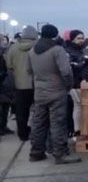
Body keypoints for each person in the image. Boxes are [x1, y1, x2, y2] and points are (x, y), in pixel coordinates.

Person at [28, 24, 80, 164]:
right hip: (57, 91)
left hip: (39, 92)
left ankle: (36, 152)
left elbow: (29, 71)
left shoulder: (32, 51)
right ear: (55, 35)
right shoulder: (57, 50)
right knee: (58, 123)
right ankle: (60, 153)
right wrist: (68, 86)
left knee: (38, 123)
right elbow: (66, 72)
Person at [4, 26, 37, 141]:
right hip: (36, 84)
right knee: (39, 111)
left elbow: (9, 65)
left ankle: (22, 134)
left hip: (19, 84)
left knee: (21, 111)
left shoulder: (13, 48)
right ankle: (37, 134)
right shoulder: (37, 47)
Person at [64, 30, 88, 136]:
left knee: (83, 106)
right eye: (79, 38)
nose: (81, 40)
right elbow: (70, 67)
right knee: (78, 105)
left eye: (82, 38)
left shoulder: (83, 50)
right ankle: (77, 130)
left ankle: (82, 128)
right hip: (75, 82)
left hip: (85, 81)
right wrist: (83, 61)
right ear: (73, 39)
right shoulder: (68, 50)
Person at [0, 34, 13, 135]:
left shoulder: (5, 51)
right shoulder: (4, 52)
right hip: (3, 82)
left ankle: (3, 126)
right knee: (3, 107)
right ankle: (2, 127)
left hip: (5, 83)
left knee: (5, 106)